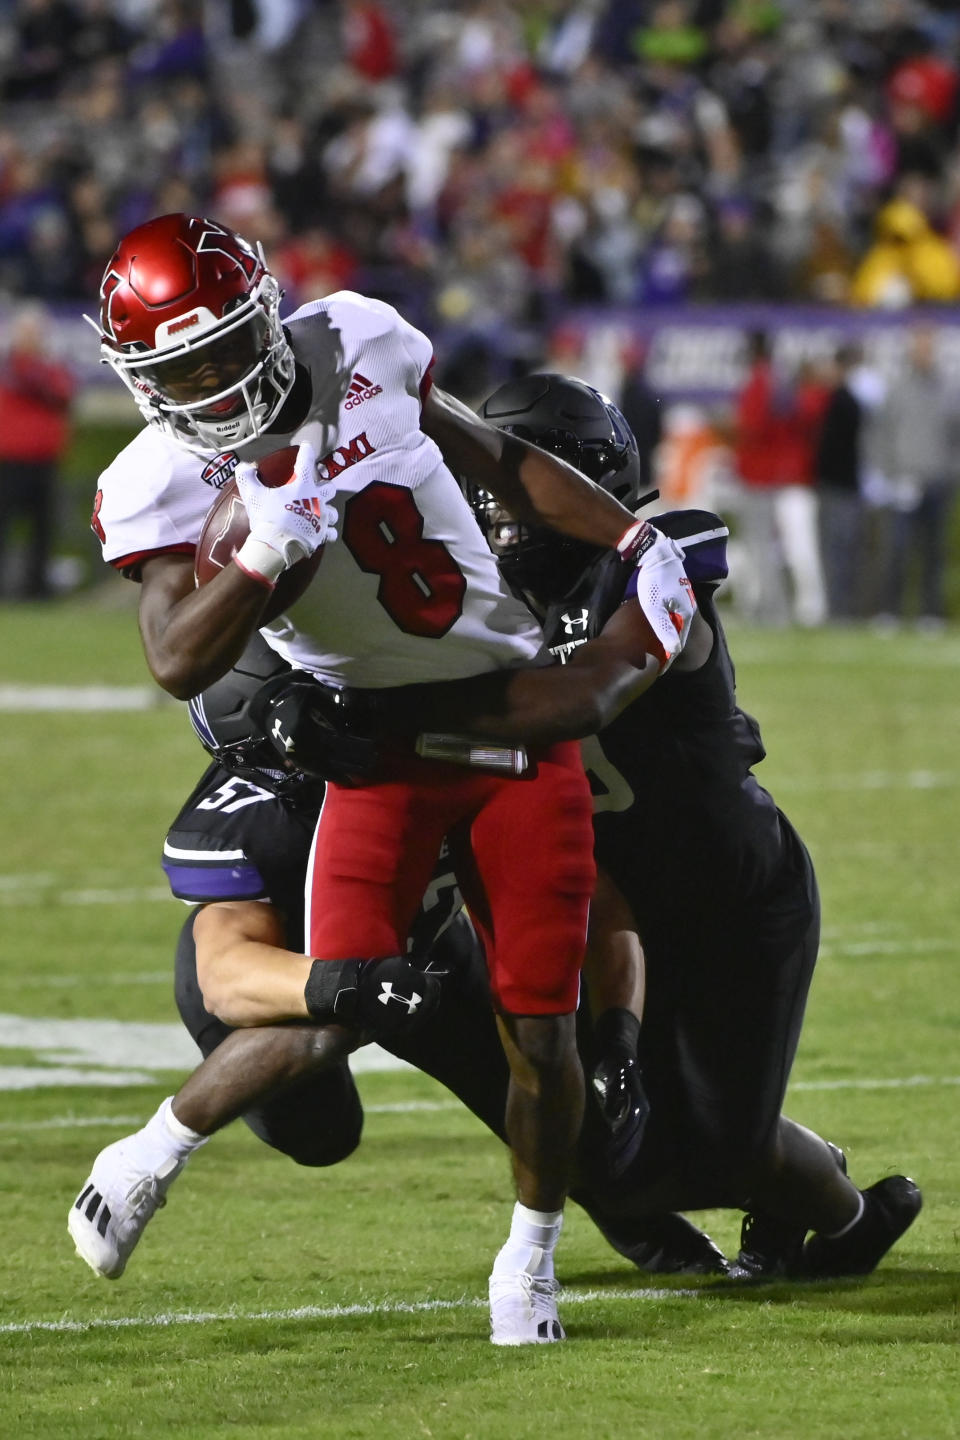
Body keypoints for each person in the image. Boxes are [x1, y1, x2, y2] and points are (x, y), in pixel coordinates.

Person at [87, 212, 697, 1345]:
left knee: (543, 1030)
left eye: (226, 346)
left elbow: (498, 458)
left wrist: (627, 541)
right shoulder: (157, 480)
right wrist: (265, 549)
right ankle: (144, 1155)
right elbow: (177, 659)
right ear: (141, 377)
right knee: (348, 988)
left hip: (503, 710)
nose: (214, 382)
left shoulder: (358, 340)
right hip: (374, 743)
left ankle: (529, 1260)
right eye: (183, 367)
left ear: (267, 314)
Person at [315, 373, 922, 1281]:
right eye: (488, 484)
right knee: (620, 1148)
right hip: (605, 895)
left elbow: (582, 693)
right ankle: (763, 1199)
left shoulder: (651, 564)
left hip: (732, 897)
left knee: (719, 1148)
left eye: (520, 480)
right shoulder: (467, 604)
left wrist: (402, 717)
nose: (495, 506)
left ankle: (847, 1220)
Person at [69, 634, 730, 1288]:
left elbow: (595, 902)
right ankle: (140, 1162)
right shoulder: (248, 819)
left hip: (428, 949)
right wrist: (351, 983)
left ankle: (640, 1223)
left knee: (557, 1086)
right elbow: (225, 973)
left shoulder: (432, 741)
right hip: (289, 981)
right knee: (325, 1131)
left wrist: (616, 1036)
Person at [732, 332, 828, 629]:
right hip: (771, 474)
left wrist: (730, 430)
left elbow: (755, 427)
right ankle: (775, 606)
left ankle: (772, 609)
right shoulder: (774, 381)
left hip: (759, 474)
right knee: (769, 545)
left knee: (761, 544)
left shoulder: (760, 383)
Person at [870, 324, 959, 630]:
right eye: (919, 347)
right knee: (897, 550)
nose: (923, 353)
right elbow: (880, 434)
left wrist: (950, 473)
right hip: (902, 483)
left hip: (937, 482)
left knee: (933, 552)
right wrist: (886, 475)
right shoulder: (896, 387)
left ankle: (930, 614)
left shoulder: (949, 388)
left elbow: (955, 436)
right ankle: (889, 612)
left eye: (928, 347)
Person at [0, 301, 76, 599]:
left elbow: (65, 394)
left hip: (43, 461)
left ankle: (36, 589)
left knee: (42, 530)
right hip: (9, 460)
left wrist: (37, 376)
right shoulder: (8, 367)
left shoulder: (50, 370)